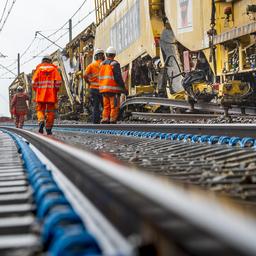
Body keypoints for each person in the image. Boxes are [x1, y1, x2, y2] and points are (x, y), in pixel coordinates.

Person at [32, 55, 62, 135]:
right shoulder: (54, 70)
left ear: (42, 61)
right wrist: (55, 89)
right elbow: (58, 82)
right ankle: (48, 129)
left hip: (40, 95)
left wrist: (37, 90)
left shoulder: (38, 70)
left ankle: (41, 121)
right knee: (50, 112)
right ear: (50, 61)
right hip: (51, 95)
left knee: (40, 110)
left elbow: (33, 83)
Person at [99, 46, 127, 124]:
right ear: (114, 55)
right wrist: (124, 88)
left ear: (106, 54)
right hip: (112, 89)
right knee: (114, 105)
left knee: (106, 106)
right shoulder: (115, 64)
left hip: (103, 89)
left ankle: (105, 118)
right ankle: (112, 119)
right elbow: (118, 78)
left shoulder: (101, 64)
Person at [84, 48, 105, 123]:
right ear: (103, 56)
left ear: (95, 56)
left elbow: (85, 75)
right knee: (105, 106)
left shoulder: (91, 65)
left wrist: (88, 82)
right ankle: (106, 121)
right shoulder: (106, 65)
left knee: (96, 107)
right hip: (103, 89)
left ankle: (96, 123)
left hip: (94, 89)